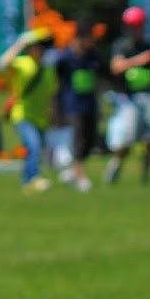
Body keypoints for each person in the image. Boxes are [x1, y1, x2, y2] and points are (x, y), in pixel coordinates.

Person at [105, 8, 150, 184]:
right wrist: (138, 60)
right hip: (130, 99)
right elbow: (115, 67)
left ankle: (146, 174)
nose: (136, 29)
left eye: (138, 26)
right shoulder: (121, 45)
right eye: (132, 26)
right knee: (127, 139)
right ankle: (116, 165)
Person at [0, 29, 54, 191]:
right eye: (36, 46)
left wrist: (52, 113)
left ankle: (27, 181)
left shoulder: (48, 69)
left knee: (35, 150)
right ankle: (34, 178)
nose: (40, 50)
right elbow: (1, 64)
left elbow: (50, 94)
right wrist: (20, 43)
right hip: (22, 115)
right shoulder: (23, 63)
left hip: (41, 117)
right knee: (33, 146)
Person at [52, 25, 101, 191]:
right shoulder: (65, 57)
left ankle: (73, 171)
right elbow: (55, 78)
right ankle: (80, 176)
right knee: (78, 140)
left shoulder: (92, 55)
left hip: (89, 102)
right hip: (72, 103)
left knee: (89, 141)